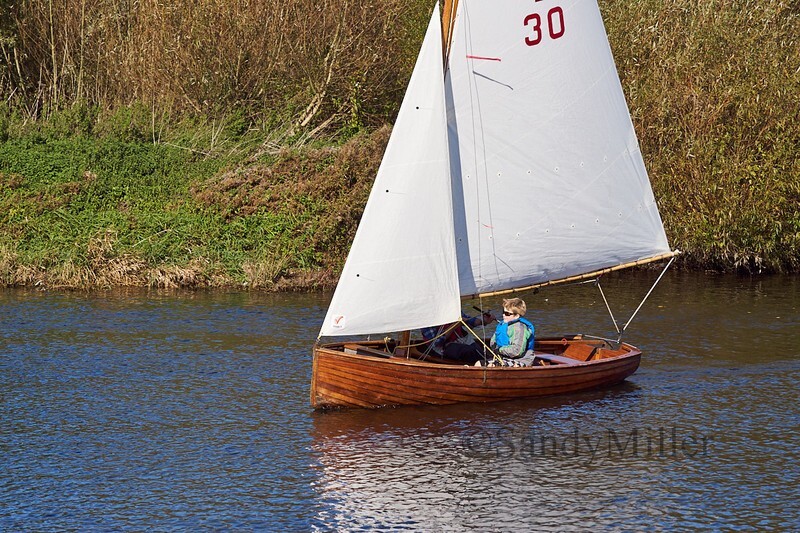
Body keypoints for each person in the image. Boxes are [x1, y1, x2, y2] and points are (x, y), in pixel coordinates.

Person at [421, 310, 496, 363]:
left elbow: (469, 321)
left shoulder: (452, 308)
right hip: (443, 348)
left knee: (478, 351)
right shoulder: (428, 318)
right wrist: (455, 325)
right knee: (468, 351)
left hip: (463, 341)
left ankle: (491, 363)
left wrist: (484, 320)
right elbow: (436, 342)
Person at [490, 297, 535, 366]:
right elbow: (493, 341)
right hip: (503, 357)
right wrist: (495, 347)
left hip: (520, 359)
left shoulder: (520, 328)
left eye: (507, 313)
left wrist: (500, 350)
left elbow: (517, 351)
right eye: (503, 312)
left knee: (490, 366)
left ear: (517, 315)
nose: (503, 315)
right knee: (479, 363)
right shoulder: (503, 325)